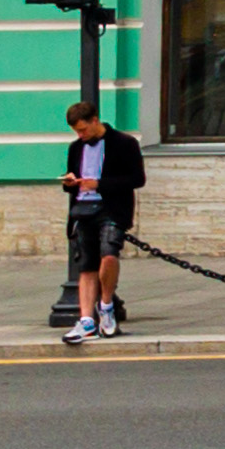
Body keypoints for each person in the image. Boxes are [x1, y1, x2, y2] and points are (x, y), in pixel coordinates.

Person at [58, 100, 143, 342]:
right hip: (83, 209)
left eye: (83, 129)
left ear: (95, 120)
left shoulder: (124, 144)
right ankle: (86, 320)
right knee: (86, 264)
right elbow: (72, 179)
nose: (80, 135)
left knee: (108, 255)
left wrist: (99, 184)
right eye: (76, 131)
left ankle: (106, 306)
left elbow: (137, 179)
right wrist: (70, 182)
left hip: (112, 208)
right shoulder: (76, 148)